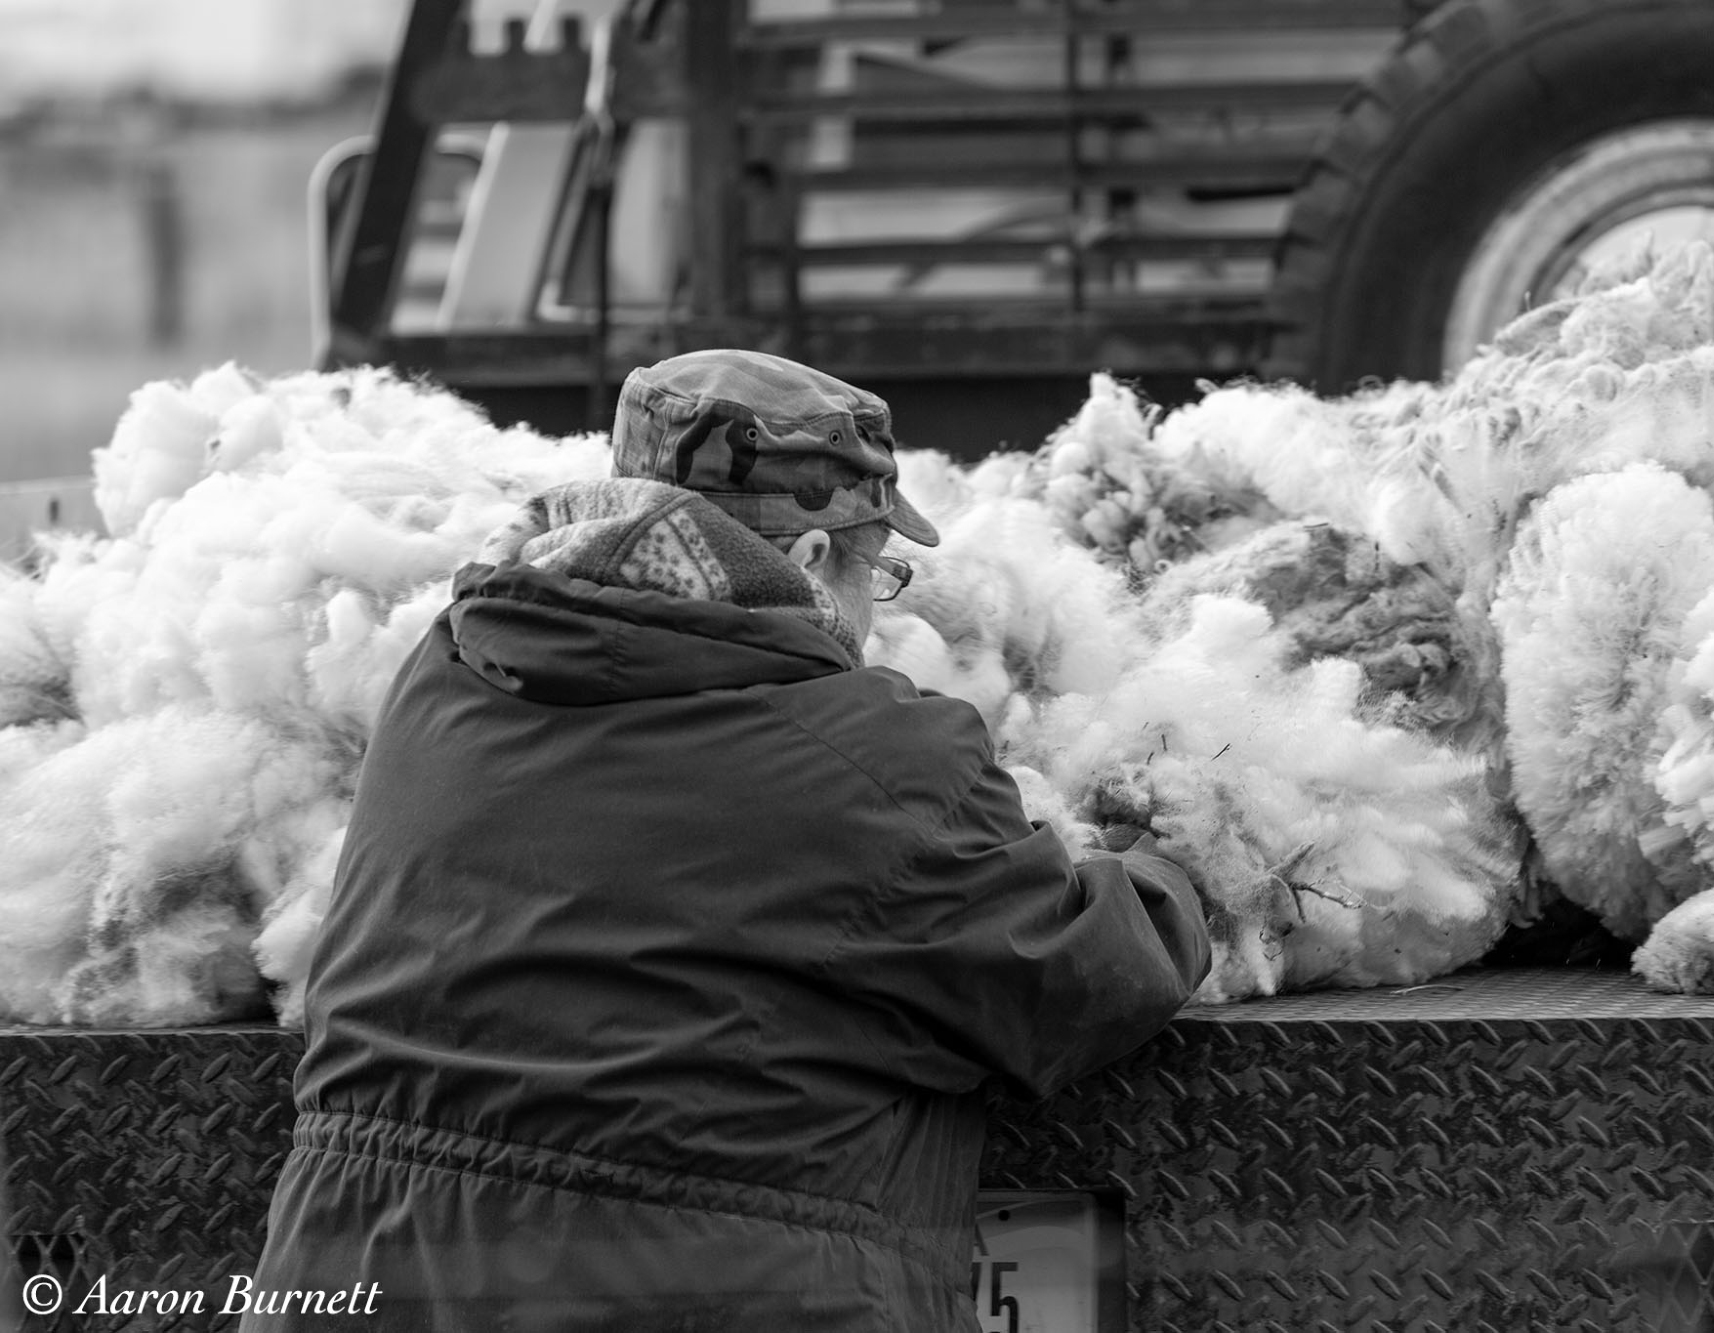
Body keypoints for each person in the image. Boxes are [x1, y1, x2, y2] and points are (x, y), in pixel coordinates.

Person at [242, 349, 1211, 1331]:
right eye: (880, 572)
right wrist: (1169, 861)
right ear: (814, 559)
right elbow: (1075, 978)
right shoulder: (871, 758)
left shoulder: (448, 669)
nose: (875, 613)